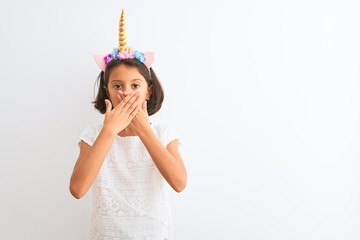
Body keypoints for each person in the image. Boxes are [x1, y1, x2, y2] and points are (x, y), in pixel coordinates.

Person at [69, 9, 187, 240]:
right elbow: (77, 189)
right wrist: (109, 130)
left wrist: (144, 129)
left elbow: (179, 183)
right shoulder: (93, 134)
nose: (125, 93)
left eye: (135, 85)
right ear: (107, 90)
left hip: (154, 234)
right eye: (117, 86)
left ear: (148, 90)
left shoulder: (164, 133)